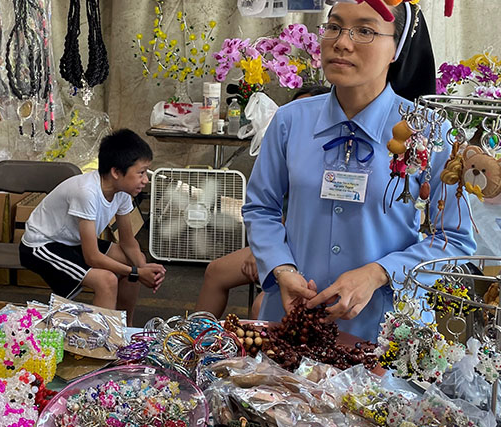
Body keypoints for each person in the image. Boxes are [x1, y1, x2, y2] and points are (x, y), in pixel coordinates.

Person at [242, 1, 476, 341]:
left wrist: (380, 273)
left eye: (365, 31)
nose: (342, 42)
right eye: (334, 27)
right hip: (294, 318)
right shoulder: (291, 121)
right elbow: (261, 208)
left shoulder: (429, 131)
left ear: (396, 48)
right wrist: (282, 269)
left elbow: (454, 237)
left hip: (384, 330)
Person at [195, 84, 330, 319]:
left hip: (310, 247)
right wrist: (264, 252)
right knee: (215, 271)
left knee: (262, 306)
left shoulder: (329, 153)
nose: (299, 118)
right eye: (294, 109)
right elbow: (263, 206)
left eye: (306, 110)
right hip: (279, 241)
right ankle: (193, 341)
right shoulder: (286, 136)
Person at [19, 129, 166, 319]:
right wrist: (138, 272)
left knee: (134, 260)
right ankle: (100, 342)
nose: (145, 180)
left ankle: (124, 331)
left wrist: (143, 269)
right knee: (107, 281)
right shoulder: (87, 192)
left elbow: (128, 243)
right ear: (116, 172)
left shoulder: (122, 191)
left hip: (72, 241)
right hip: (41, 245)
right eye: (141, 173)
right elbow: (92, 257)